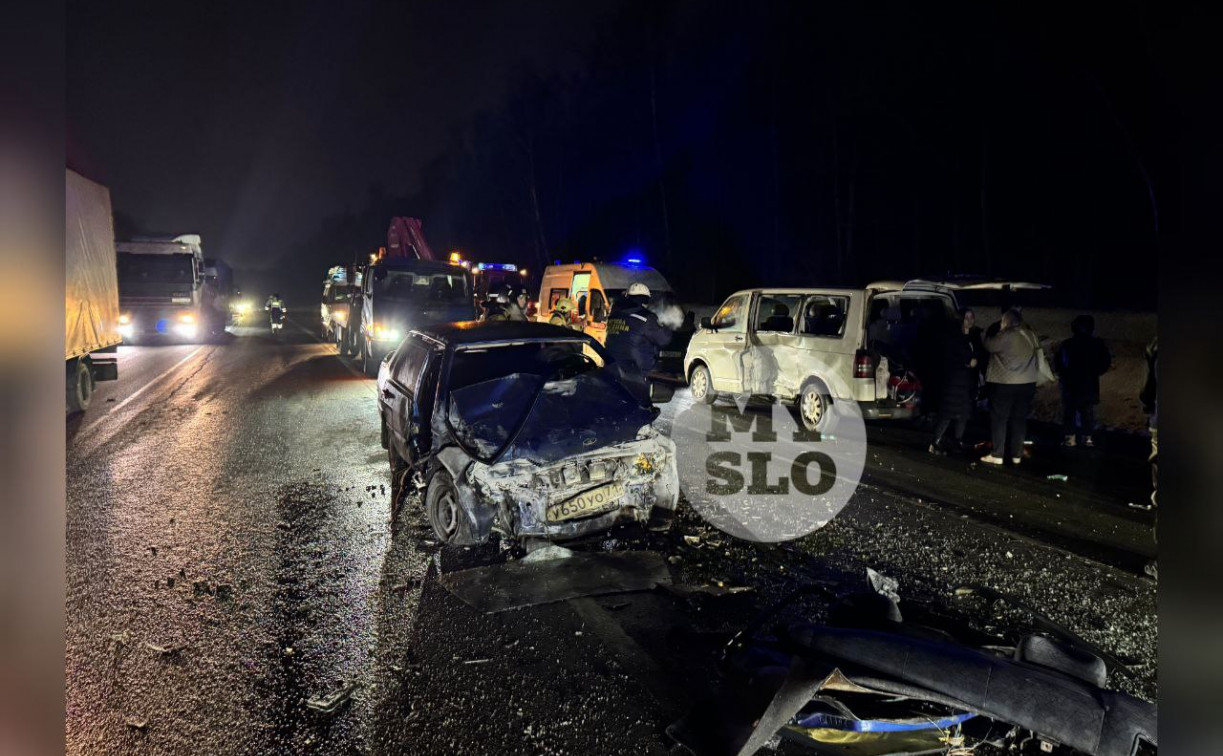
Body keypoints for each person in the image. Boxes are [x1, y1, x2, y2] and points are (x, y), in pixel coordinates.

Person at [980, 308, 1041, 465]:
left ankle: (997, 454)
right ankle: (1016, 455)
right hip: (1027, 383)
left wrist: (996, 331)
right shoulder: (1030, 334)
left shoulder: (1006, 334)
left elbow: (988, 345)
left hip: (1005, 383)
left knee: (1000, 418)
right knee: (1019, 419)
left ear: (1006, 321)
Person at [604, 282, 673, 401]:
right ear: (646, 300)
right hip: (636, 371)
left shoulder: (614, 315)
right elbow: (664, 339)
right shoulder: (647, 318)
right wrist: (667, 326)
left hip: (613, 367)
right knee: (639, 407)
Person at [928, 308, 981, 455]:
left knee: (963, 413)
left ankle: (958, 441)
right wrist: (966, 361)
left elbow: (979, 353)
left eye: (972, 317)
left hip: (967, 381)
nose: (969, 320)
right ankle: (935, 441)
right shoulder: (952, 336)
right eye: (966, 317)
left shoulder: (974, 336)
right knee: (948, 412)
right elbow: (948, 356)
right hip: (953, 380)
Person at [1054, 314, 1111, 447]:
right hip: (1088, 384)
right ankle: (1087, 438)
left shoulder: (1067, 344)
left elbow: (1058, 364)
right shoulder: (1097, 344)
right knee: (1087, 412)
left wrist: (1064, 375)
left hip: (1070, 384)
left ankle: (1070, 438)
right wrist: (1094, 372)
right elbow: (1105, 363)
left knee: (1069, 412)